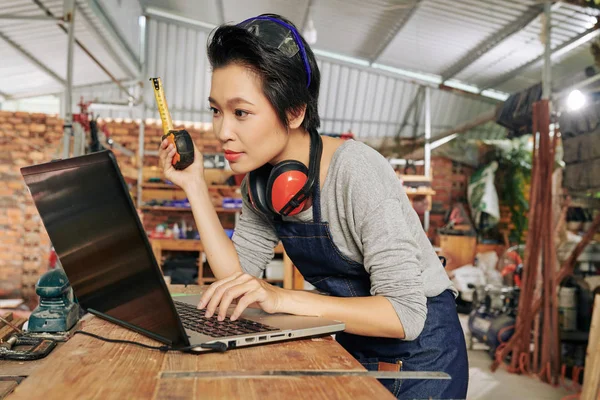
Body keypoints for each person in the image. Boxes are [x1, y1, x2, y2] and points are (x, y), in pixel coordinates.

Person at [158, 14, 468, 399]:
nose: (222, 131)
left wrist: (280, 298)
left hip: (422, 353)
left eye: (241, 112)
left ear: (294, 112)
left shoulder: (356, 171)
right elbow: (236, 279)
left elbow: (403, 315)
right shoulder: (260, 182)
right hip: (351, 340)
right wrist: (194, 187)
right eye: (216, 110)